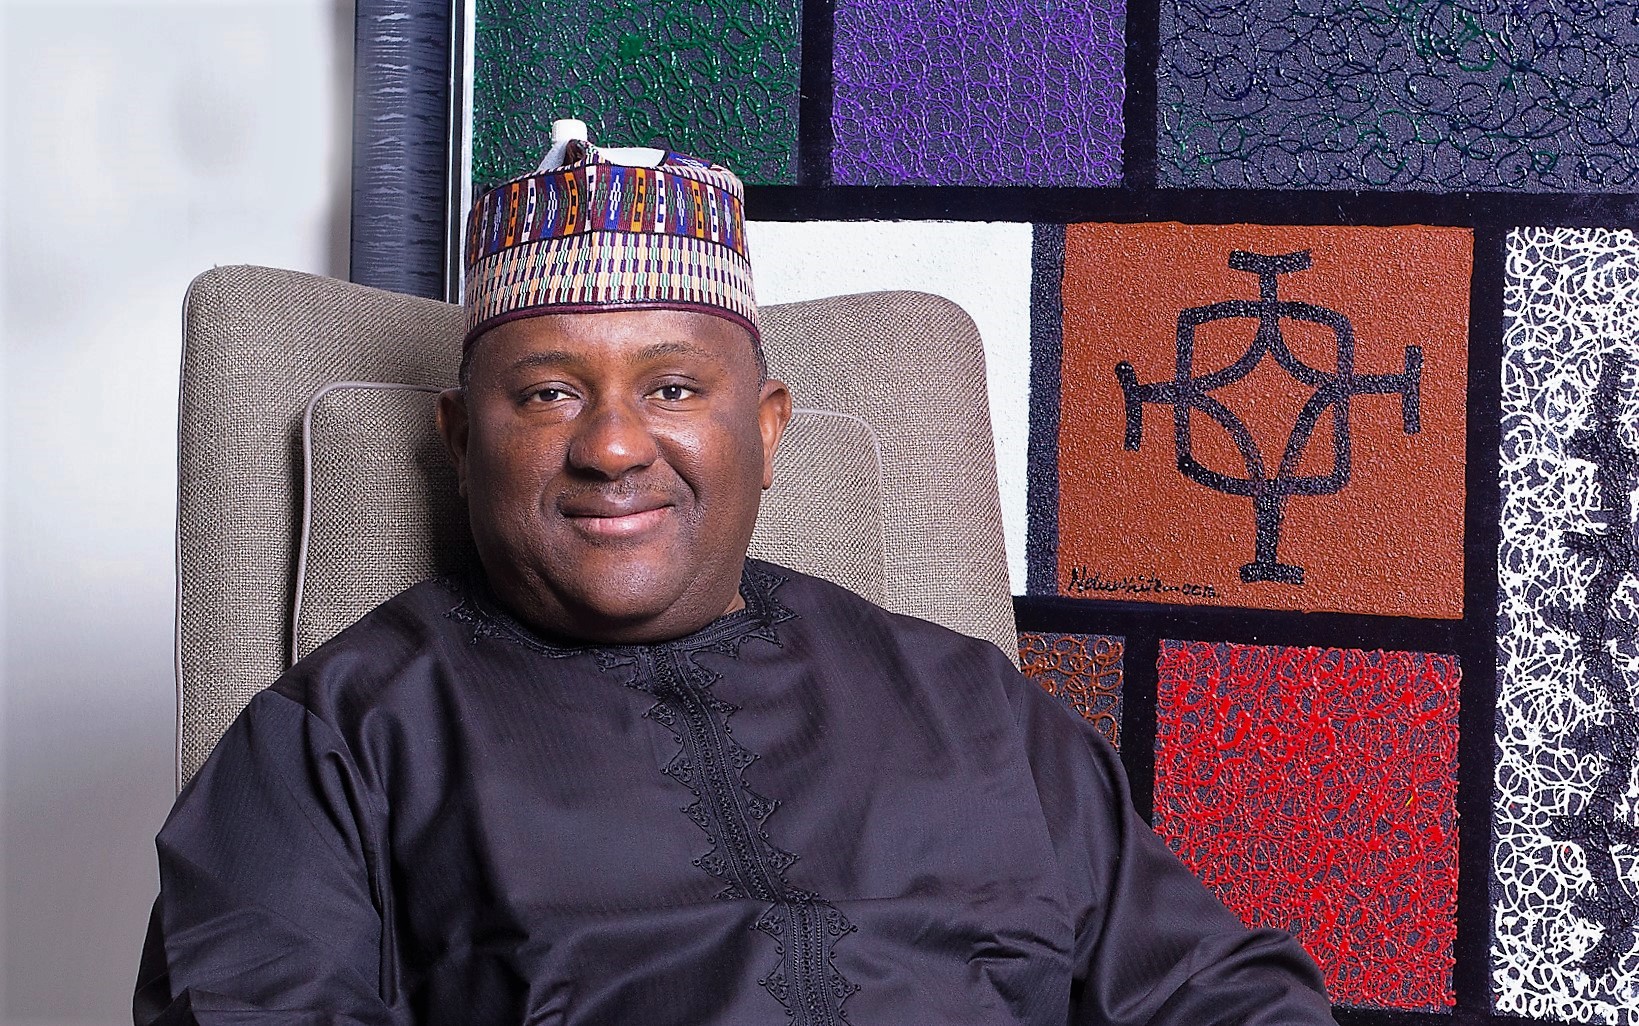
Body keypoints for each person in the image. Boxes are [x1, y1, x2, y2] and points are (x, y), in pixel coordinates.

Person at [136, 121, 1338, 1026]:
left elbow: (1220, 992)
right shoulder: (334, 739)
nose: (614, 447)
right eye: (548, 393)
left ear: (764, 430)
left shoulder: (970, 704)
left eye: (672, 388)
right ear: (460, 441)